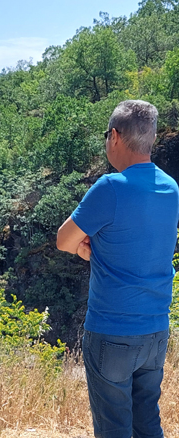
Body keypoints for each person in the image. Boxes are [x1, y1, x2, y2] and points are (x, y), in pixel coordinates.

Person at [56, 100, 179, 438]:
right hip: (155, 332)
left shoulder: (110, 187)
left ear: (114, 136)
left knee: (114, 430)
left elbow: (64, 240)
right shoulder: (171, 188)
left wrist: (87, 248)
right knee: (147, 424)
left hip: (112, 332)